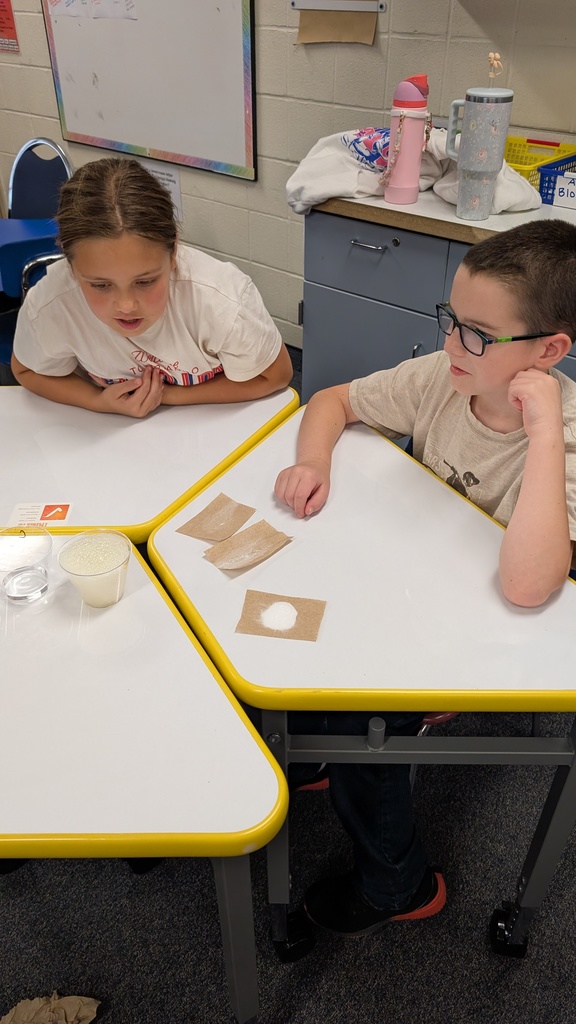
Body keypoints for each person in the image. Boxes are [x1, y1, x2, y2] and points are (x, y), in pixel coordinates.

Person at [274, 219, 576, 937]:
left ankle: (398, 884)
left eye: (476, 333)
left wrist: (543, 434)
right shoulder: (447, 379)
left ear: (551, 352)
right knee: (315, 617)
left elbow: (530, 587)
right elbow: (333, 401)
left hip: (494, 638)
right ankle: (315, 754)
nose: (449, 346)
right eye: (451, 321)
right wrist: (313, 462)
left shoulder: (562, 443)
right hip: (422, 592)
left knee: (364, 716)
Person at [11, 158, 293, 416]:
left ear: (173, 254)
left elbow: (276, 375)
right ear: (71, 269)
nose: (126, 306)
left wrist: (169, 396)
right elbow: (25, 369)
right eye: (100, 285)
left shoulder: (218, 299)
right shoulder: (52, 304)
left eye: (145, 281)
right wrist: (97, 401)